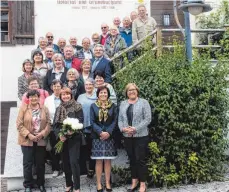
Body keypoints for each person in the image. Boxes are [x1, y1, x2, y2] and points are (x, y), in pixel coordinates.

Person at [118, 83, 152, 192]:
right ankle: (134, 181)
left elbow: (147, 119)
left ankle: (142, 184)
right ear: (126, 93)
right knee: (132, 159)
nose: (131, 92)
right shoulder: (123, 103)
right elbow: (120, 120)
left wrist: (135, 128)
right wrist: (123, 129)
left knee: (140, 160)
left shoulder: (144, 102)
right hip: (127, 136)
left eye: (133, 90)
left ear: (137, 91)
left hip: (140, 136)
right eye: (129, 90)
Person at [17, 89, 50, 192]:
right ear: (28, 98)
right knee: (27, 164)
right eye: (31, 97)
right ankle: (27, 185)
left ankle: (41, 184)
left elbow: (49, 123)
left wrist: (43, 133)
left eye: (35, 96)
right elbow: (19, 124)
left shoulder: (44, 108)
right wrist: (29, 135)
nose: (34, 98)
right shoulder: (23, 108)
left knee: (40, 163)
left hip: (40, 140)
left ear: (39, 97)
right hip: (27, 141)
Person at [53, 87, 84, 192]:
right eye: (63, 95)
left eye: (67, 94)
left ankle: (77, 186)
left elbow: (80, 121)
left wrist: (71, 131)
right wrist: (60, 135)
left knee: (73, 161)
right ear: (61, 97)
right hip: (63, 139)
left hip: (74, 138)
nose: (65, 96)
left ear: (71, 95)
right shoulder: (59, 108)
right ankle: (68, 184)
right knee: (65, 162)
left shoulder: (77, 106)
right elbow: (55, 125)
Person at [90, 86, 117, 192]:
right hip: (97, 137)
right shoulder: (93, 106)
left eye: (105, 93)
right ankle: (98, 184)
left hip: (109, 137)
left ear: (108, 94)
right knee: (99, 160)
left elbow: (115, 120)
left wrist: (108, 132)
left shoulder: (113, 106)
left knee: (108, 160)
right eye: (101, 93)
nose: (103, 95)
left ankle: (107, 183)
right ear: (98, 94)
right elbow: (92, 122)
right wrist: (101, 132)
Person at [77, 78, 97, 178]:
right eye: (86, 85)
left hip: (93, 127)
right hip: (82, 126)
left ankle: (92, 169)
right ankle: (83, 169)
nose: (88, 86)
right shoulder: (80, 96)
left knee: (92, 148)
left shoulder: (97, 96)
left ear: (94, 86)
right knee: (83, 148)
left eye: (90, 84)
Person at [44, 79, 63, 177]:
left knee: (64, 148)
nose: (56, 88)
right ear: (52, 87)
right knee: (54, 149)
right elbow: (45, 114)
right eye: (54, 86)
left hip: (64, 127)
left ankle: (64, 168)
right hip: (52, 127)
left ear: (61, 87)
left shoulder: (65, 97)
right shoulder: (48, 100)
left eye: (58, 86)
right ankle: (56, 169)